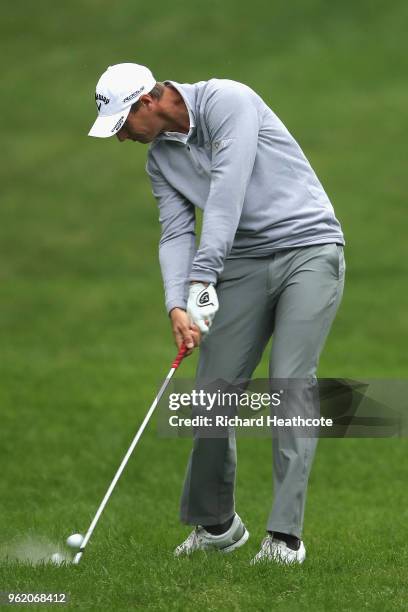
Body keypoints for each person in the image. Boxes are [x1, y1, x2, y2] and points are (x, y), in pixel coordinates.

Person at [88, 62, 346, 565]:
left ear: (147, 103)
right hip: (244, 261)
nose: (121, 138)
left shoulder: (229, 100)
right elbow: (175, 234)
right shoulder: (159, 160)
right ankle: (217, 527)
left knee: (290, 382)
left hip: (310, 248)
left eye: (122, 125)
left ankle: (285, 538)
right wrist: (177, 304)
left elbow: (228, 189)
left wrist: (204, 276)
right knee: (211, 391)